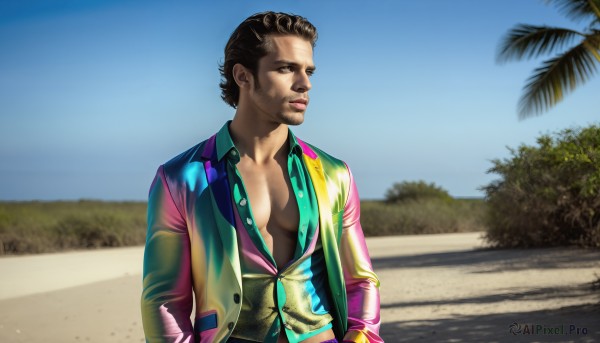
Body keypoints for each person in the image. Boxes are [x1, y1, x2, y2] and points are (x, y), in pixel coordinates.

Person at [141, 11, 382, 343]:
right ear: (243, 76)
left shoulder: (334, 174)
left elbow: (360, 281)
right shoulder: (181, 179)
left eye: (308, 71)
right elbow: (165, 299)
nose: (305, 83)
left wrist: (362, 337)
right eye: (286, 68)